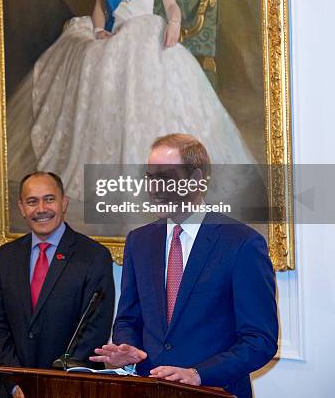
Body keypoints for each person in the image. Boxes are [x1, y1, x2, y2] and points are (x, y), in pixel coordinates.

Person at [27, 0, 254, 203]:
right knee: (88, 58)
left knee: (129, 62)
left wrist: (174, 22)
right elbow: (99, 7)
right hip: (112, 36)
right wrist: (98, 29)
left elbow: (171, 3)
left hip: (143, 34)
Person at [90, 134, 278, 398]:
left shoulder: (242, 243)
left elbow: (260, 340)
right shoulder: (139, 241)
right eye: (150, 177)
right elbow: (128, 319)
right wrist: (129, 350)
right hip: (148, 389)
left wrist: (198, 374)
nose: (154, 188)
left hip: (215, 391)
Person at [0, 171, 115, 398]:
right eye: (32, 201)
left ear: (64, 202)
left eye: (49, 199)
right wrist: (16, 382)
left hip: (71, 389)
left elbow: (94, 331)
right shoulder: (6, 257)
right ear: (22, 207)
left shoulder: (94, 256)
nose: (41, 209)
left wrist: (55, 386)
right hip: (16, 391)